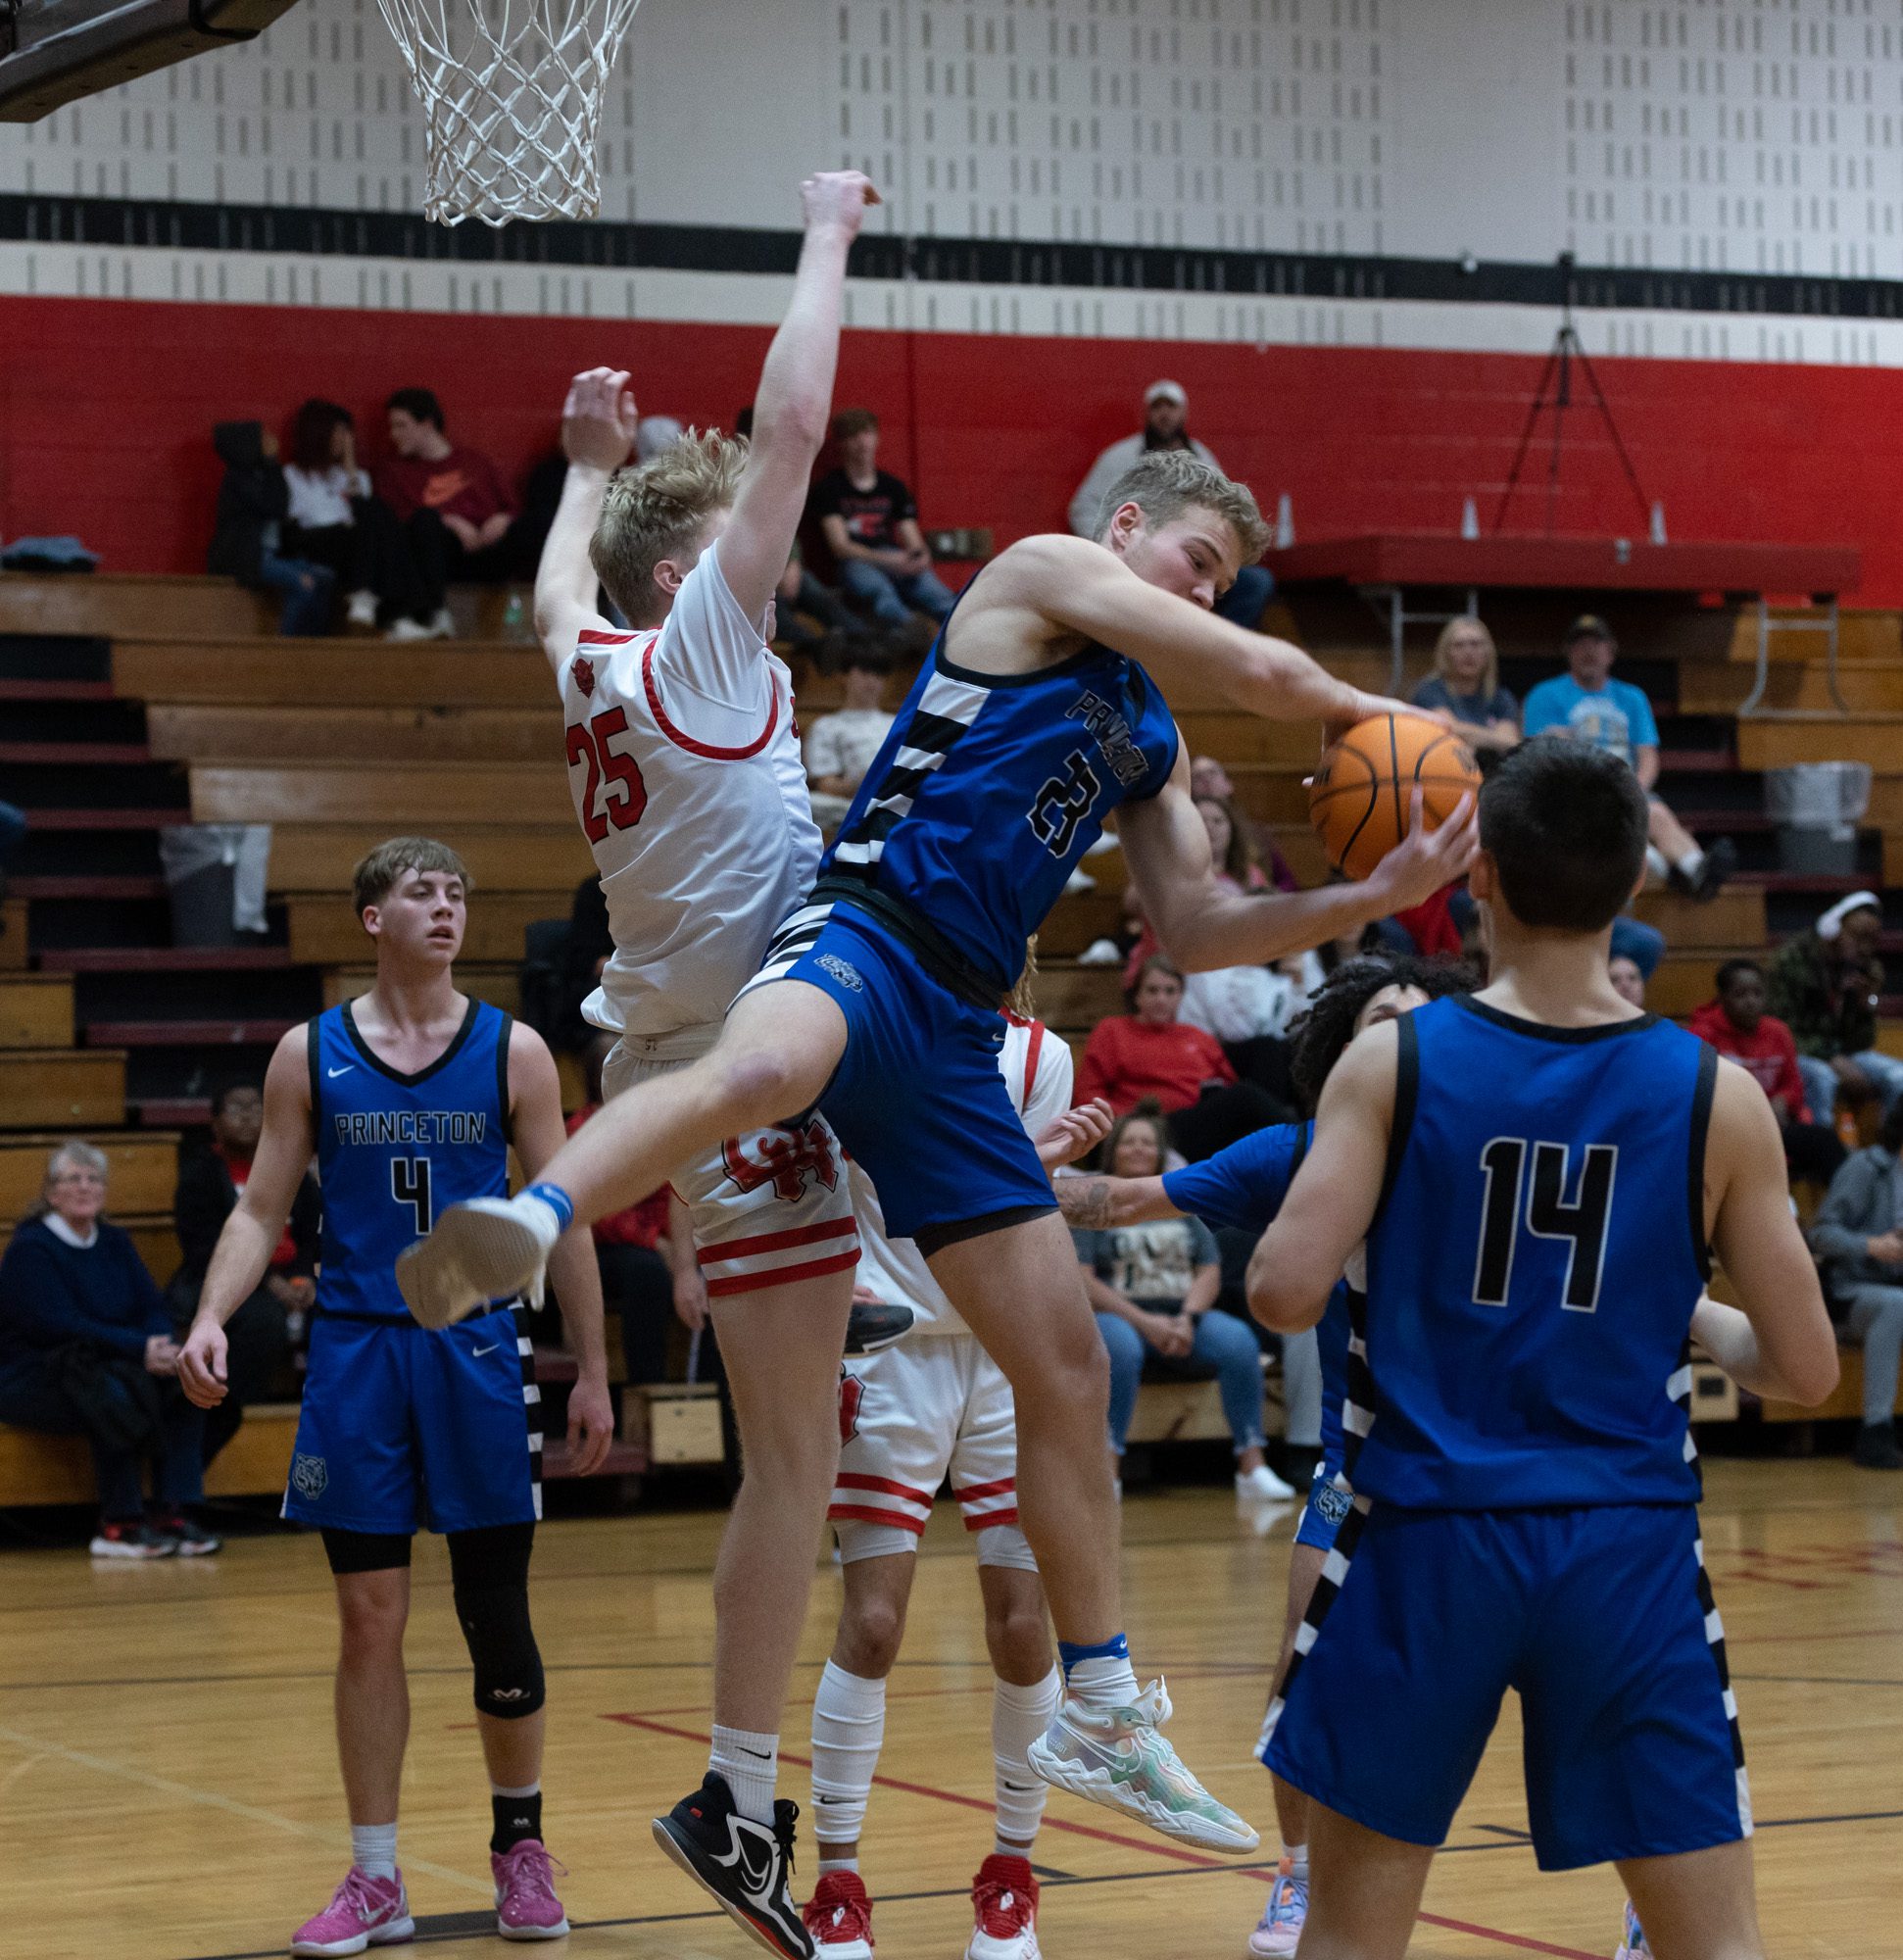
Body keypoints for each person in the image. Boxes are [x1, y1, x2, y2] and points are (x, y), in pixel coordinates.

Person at [400, 393, 1479, 1888]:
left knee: (1064, 1364)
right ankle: (530, 1220)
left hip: (960, 1030)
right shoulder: (1035, 575)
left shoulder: (1148, 735)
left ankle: (1100, 1703)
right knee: (756, 1067)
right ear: (1124, 529)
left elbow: (1196, 922)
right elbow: (1260, 669)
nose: (1208, 592)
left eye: (1228, 577)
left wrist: (1368, 899)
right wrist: (1395, 716)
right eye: (1195, 559)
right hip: (869, 930)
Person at [1245, 737, 1839, 1960]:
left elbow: (1282, 1292)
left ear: (1479, 877)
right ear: (1634, 884)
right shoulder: (1716, 1095)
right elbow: (1805, 1367)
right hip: (1624, 1543)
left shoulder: (1395, 1059)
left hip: (1425, 1538)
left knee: (1349, 1938)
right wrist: (1678, 1307)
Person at [495, 173, 880, 1960]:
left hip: (679, 1039)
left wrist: (583, 464)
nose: (772, 561)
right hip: (736, 1076)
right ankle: (733, 1797)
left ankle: (870, 1252)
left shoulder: (592, 655)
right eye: (743, 546)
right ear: (689, 576)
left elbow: (549, 587)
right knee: (793, 1470)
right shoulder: (704, 642)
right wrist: (826, 231)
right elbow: (792, 425)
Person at [177, 839, 613, 1953]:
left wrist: (594, 1369)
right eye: (422, 892)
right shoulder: (308, 1052)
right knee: (368, 1618)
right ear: (373, 917)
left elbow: (564, 1217)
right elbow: (258, 1208)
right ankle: (376, 1875)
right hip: (358, 1353)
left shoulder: (514, 1050)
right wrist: (212, 1313)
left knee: (494, 1613)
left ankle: (521, 1850)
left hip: (476, 1351)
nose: (446, 907)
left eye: (457, 891)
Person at [1055, 951, 1470, 1955]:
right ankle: (1296, 1877)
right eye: (1379, 1019)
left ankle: (1655, 1894)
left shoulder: (1486, 1149)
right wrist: (1003, 1167)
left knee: (1554, 1685)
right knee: (1300, 1670)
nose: (1401, 1035)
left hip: (1487, 1466)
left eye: (1419, 1020)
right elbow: (1119, 1201)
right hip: (1358, 1465)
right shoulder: (1299, 1154)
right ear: (1338, 1053)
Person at [806, 1012, 1109, 1960]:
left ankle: (1011, 1878)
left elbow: (1026, 1216)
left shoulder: (1042, 1055)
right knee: (873, 1623)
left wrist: (1038, 1167)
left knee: (1023, 1628)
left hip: (1007, 1350)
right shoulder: (858, 1028)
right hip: (891, 1352)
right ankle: (837, 1886)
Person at [0, 1141, 216, 1559]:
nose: (84, 1187)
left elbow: (151, 1305)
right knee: (112, 1394)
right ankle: (120, 1523)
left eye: (93, 1179)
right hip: (34, 1375)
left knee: (184, 1388)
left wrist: (161, 1346)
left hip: (112, 1361)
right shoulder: (31, 1249)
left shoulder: (115, 1240)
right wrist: (139, 1348)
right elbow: (58, 1324)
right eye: (72, 1179)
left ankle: (171, 1512)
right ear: (51, 1193)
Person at [1072, 1103, 1293, 1506]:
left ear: (1160, 1152)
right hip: (1118, 1317)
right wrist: (1146, 1323)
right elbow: (1084, 1281)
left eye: (1147, 1142)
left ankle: (1252, 1465)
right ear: (1112, 1151)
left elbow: (1209, 1269)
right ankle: (1108, 1469)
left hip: (1180, 1317)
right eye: (1129, 1142)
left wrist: (1188, 1318)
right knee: (1119, 1348)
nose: (1139, 1149)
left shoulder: (1174, 1200)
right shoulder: (1097, 1202)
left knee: (1239, 1340)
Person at [1523, 613, 1735, 902]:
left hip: (1625, 786)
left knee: (1656, 813)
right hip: (1576, 791)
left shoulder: (1632, 697)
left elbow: (1648, 757)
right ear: (1569, 652)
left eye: (1596, 644)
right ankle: (1674, 870)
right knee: (1631, 834)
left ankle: (1697, 870)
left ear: (1610, 652)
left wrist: (1634, 788)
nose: (1588, 651)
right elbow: (1535, 755)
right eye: (1581, 645)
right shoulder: (1545, 695)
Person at [170, 1080, 318, 1465]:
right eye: (236, 1108)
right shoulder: (200, 1174)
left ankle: (326, 1408)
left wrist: (304, 1277)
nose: (248, 1117)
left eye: (255, 1108)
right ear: (215, 1123)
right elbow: (201, 1246)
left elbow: (311, 1233)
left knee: (338, 1310)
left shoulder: (292, 1170)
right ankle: (227, 1408)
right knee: (263, 1320)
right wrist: (269, 1281)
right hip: (229, 1280)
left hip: (291, 1277)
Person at [1068, 379, 1272, 632]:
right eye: (1157, 407)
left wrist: (1210, 561)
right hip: (1135, 553)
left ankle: (1210, 643)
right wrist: (1110, 546)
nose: (1164, 414)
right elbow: (1082, 508)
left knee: (1256, 582)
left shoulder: (1203, 457)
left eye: (1171, 406)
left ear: (1183, 412)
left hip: (1198, 558)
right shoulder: (1118, 456)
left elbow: (1226, 513)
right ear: (1147, 413)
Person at [1077, 956, 1294, 1152]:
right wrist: (1128, 1121)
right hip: (1140, 1126)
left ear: (1181, 995)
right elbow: (1087, 1093)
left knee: (1267, 1055)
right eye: (1152, 990)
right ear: (1137, 996)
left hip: (1195, 1124)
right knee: (1245, 1097)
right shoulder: (1113, 1031)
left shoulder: (1197, 1036)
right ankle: (1300, 1137)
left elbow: (1224, 1084)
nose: (1161, 999)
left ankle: (1292, 1143)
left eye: (1170, 991)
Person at [282, 398, 433, 639]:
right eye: (338, 432)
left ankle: (367, 597)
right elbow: (307, 518)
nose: (344, 440)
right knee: (373, 518)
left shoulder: (358, 477)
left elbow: (365, 517)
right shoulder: (292, 475)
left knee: (376, 511)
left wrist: (350, 468)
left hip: (354, 548)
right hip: (316, 544)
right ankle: (403, 612)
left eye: (347, 433)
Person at [377, 387, 523, 634]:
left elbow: (514, 507)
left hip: (489, 550)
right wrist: (450, 521)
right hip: (440, 555)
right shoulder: (395, 473)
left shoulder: (474, 463)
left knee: (535, 525)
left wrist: (503, 519)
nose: (394, 435)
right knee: (425, 520)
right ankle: (435, 614)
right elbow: (397, 522)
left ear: (427, 424)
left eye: (401, 426)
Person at [1688, 959, 1846, 1187]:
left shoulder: (1778, 1032)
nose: (1751, 1001)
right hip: (1727, 1130)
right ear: (1722, 998)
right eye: (1740, 994)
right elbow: (1698, 1093)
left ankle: (1842, 1206)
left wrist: (1783, 1100)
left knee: (1825, 1142)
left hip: (1773, 1124)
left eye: (1757, 993)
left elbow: (1794, 1085)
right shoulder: (1702, 1035)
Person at [1808, 1102, 1903, 1471]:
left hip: (1893, 1286)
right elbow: (1821, 1233)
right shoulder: (1866, 1167)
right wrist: (1871, 1245)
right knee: (1895, 1304)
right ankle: (1876, 1431)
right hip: (1850, 1291)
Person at [809, 408, 956, 630]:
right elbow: (840, 547)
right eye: (854, 435)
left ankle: (965, 634)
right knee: (880, 593)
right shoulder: (830, 488)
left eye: (867, 433)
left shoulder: (892, 486)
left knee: (936, 593)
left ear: (877, 438)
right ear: (841, 443)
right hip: (856, 561)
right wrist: (890, 560)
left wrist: (920, 558)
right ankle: (916, 633)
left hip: (894, 556)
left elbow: (913, 539)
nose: (862, 442)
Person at [1769, 891, 1903, 1127]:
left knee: (1899, 1077)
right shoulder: (1791, 960)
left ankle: (1885, 1148)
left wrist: (1866, 1005)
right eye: (1858, 937)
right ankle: (1824, 1148)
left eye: (1872, 940)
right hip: (1801, 1051)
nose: (1865, 948)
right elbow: (1781, 1030)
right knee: (1823, 1077)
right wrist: (1831, 1057)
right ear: (1832, 929)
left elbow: (1862, 1043)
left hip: (1845, 1053)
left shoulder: (1867, 970)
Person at [208, 420, 335, 636]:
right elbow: (272, 507)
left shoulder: (260, 475)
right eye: (262, 437)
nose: (270, 440)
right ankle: (286, 644)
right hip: (246, 558)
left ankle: (314, 641)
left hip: (268, 555)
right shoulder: (238, 479)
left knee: (325, 577)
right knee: (304, 583)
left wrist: (271, 465)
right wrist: (272, 462)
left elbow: (282, 504)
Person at [804, 638, 897, 831]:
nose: (871, 682)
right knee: (813, 803)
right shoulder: (827, 726)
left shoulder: (897, 723)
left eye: (878, 675)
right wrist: (863, 781)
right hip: (851, 803)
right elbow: (826, 784)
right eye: (864, 673)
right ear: (844, 676)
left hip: (896, 797)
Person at [1410, 616, 1520, 755]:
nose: (1468, 652)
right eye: (1459, 645)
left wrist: (1469, 737)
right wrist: (1493, 739)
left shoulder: (1501, 697)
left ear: (1488, 651)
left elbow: (1511, 743)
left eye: (1475, 644)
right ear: (1446, 653)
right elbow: (1448, 728)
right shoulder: (1429, 690)